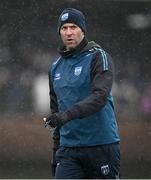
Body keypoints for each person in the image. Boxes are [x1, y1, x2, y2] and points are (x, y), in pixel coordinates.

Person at [44, 8, 120, 179]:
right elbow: (56, 113)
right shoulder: (54, 67)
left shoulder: (99, 57)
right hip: (68, 150)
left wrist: (65, 116)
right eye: (64, 28)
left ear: (83, 31)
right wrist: (55, 154)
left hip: (101, 145)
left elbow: (99, 98)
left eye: (73, 27)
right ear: (59, 32)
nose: (69, 33)